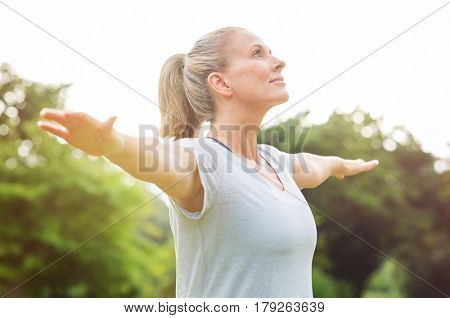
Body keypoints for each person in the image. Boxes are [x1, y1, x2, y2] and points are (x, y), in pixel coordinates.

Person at [37, 26, 379, 298]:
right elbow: (157, 157)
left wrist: (343, 165)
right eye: (258, 53)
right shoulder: (202, 161)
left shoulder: (277, 163)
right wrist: (111, 144)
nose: (278, 61)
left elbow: (317, 165)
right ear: (221, 82)